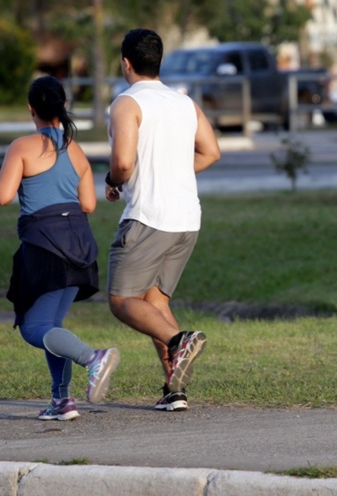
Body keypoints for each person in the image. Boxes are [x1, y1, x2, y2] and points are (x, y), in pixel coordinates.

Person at [104, 28, 221, 412]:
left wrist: (113, 181)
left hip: (149, 217)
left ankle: (179, 340)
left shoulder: (126, 102)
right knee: (154, 302)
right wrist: (174, 174)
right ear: (159, 62)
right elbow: (211, 152)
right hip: (187, 218)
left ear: (126, 63)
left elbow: (122, 162)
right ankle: (175, 390)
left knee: (121, 300)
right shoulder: (183, 102)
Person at [0, 76, 120, 421]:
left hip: (44, 247)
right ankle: (62, 400)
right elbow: (89, 204)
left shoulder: (22, 146)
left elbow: (3, 196)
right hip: (78, 244)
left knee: (35, 328)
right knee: (52, 324)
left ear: (31, 109)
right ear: (63, 107)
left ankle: (93, 358)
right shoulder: (75, 149)